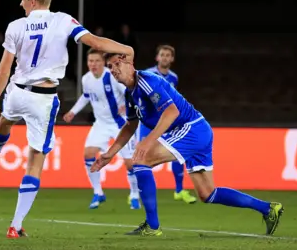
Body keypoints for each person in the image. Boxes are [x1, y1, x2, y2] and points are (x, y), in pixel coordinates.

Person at [0, 0, 134, 238]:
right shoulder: (63, 20)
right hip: (43, 97)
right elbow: (96, 43)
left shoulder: (15, 26)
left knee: (5, 120)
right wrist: (126, 48)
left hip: (17, 91)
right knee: (34, 163)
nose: (20, 4)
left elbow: (4, 67)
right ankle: (15, 225)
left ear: (31, 1)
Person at [91, 52, 284, 237]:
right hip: (198, 130)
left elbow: (171, 112)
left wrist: (147, 142)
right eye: (110, 66)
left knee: (141, 161)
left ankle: (152, 225)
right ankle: (268, 209)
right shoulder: (130, 94)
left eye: (117, 64)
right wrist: (110, 153)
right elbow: (130, 125)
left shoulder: (147, 81)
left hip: (190, 129)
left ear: (130, 63)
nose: (114, 69)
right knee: (208, 194)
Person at [62, 48, 140, 210]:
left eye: (97, 61)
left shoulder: (112, 76)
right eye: (90, 61)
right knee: (88, 154)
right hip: (101, 124)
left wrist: (127, 106)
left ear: (103, 62)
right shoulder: (86, 79)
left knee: (130, 164)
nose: (93, 64)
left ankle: (134, 194)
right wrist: (72, 112)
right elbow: (86, 96)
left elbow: (128, 91)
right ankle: (98, 192)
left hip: (120, 125)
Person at [136, 45, 197, 204]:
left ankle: (179, 190)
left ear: (172, 59)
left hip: (167, 122)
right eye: (162, 54)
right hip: (149, 123)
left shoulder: (173, 78)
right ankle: (138, 192)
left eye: (168, 55)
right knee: (142, 156)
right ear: (157, 58)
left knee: (177, 154)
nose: (164, 57)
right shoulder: (147, 75)